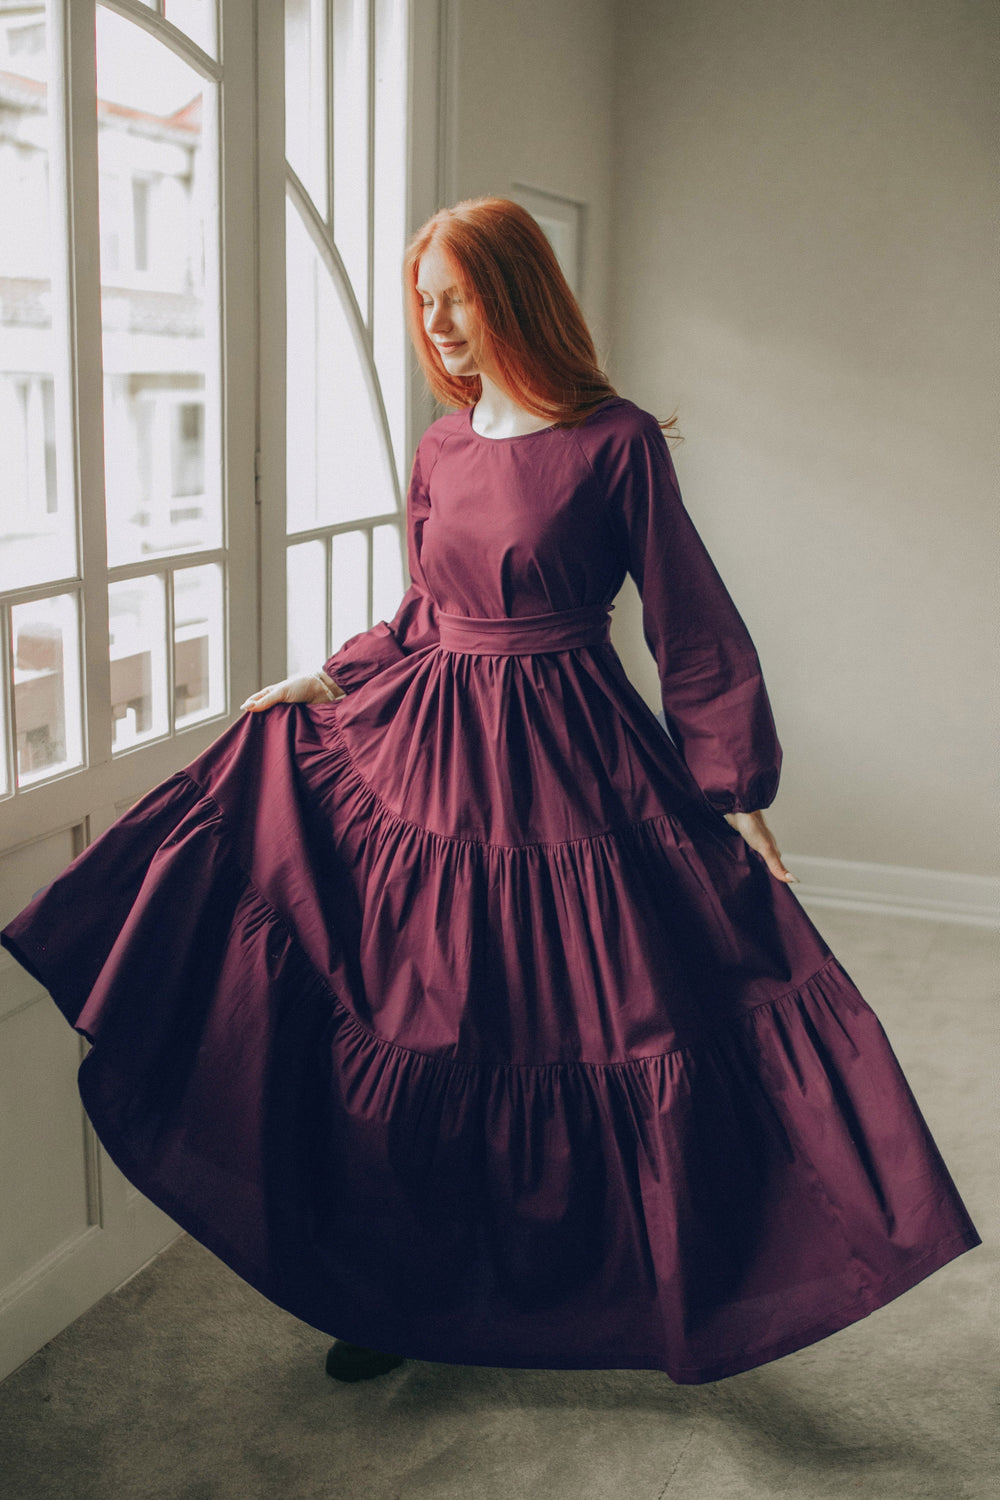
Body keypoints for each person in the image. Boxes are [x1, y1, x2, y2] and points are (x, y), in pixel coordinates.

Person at [1, 196, 980, 1390]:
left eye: (454, 296)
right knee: (420, 1022)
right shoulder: (443, 446)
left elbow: (689, 618)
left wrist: (734, 785)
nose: (437, 323)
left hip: (575, 759)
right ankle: (395, 1297)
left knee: (614, 1018)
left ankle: (644, 1287)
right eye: (423, 302)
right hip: (431, 759)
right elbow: (426, 607)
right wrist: (332, 676)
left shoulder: (615, 440)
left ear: (513, 292)